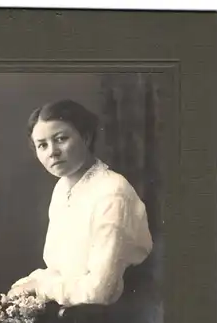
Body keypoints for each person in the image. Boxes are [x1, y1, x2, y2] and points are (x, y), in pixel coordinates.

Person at [8, 99, 153, 309]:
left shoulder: (112, 192)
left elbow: (99, 291)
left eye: (61, 139)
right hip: (71, 308)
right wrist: (24, 287)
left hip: (112, 316)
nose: (52, 151)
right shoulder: (62, 188)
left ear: (86, 137)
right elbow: (61, 268)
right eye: (42, 145)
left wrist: (40, 286)